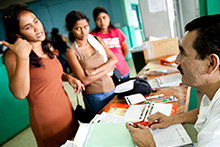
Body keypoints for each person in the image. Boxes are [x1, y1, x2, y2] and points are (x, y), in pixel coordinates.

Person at [126, 14, 220, 147]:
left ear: (211, 63)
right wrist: (172, 119)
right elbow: (205, 110)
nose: (176, 60)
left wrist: (148, 144)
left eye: (183, 53)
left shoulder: (214, 137)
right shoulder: (213, 91)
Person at [0, 4, 85, 147]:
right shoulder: (13, 56)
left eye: (35, 21)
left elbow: (52, 73)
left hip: (66, 109)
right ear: (18, 34)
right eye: (27, 27)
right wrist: (22, 57)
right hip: (47, 119)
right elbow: (20, 93)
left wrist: (68, 77)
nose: (36, 28)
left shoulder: (47, 46)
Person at [65, 10, 118, 114]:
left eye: (85, 27)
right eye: (78, 29)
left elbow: (114, 59)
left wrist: (95, 71)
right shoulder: (72, 52)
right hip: (94, 96)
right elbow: (84, 81)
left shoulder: (96, 40)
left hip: (112, 88)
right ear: (70, 30)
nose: (83, 32)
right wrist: (107, 68)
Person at [91, 6, 130, 85]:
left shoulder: (117, 32)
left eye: (104, 17)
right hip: (107, 75)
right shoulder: (93, 36)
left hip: (123, 70)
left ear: (108, 18)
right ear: (95, 21)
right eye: (98, 19)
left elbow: (125, 50)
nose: (102, 21)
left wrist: (119, 61)